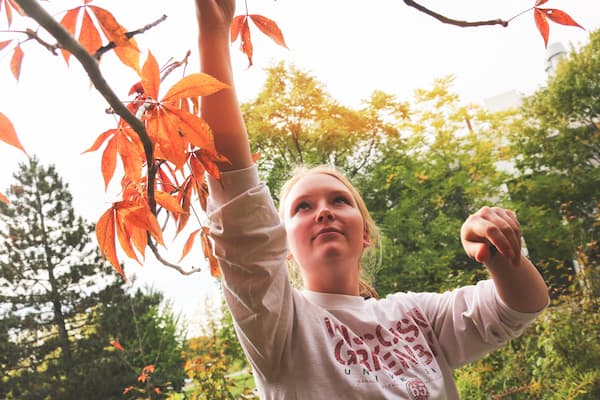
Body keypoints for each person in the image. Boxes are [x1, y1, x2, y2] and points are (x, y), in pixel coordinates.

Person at [196, 1, 549, 398]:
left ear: (365, 234)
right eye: (303, 207)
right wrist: (213, 30)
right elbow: (236, 194)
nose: (324, 211)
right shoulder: (280, 325)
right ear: (284, 248)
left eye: (340, 201)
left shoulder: (416, 316)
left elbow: (523, 304)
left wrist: (496, 253)